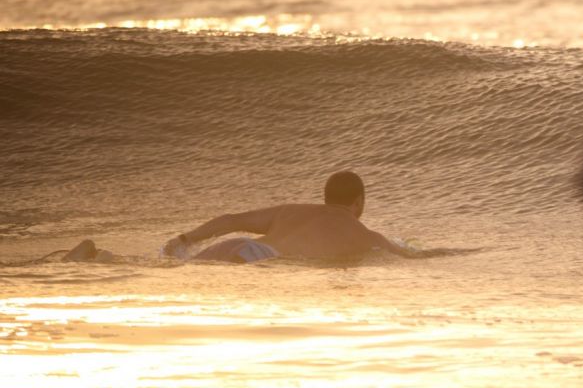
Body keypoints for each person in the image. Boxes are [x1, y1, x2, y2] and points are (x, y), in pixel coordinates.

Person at [61, 171, 415, 263]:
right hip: (258, 258)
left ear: (326, 197)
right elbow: (410, 257)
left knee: (173, 266)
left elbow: (231, 219)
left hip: (240, 245)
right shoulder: (366, 236)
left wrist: (185, 239)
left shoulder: (291, 211)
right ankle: (99, 258)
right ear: (359, 202)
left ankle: (98, 255)